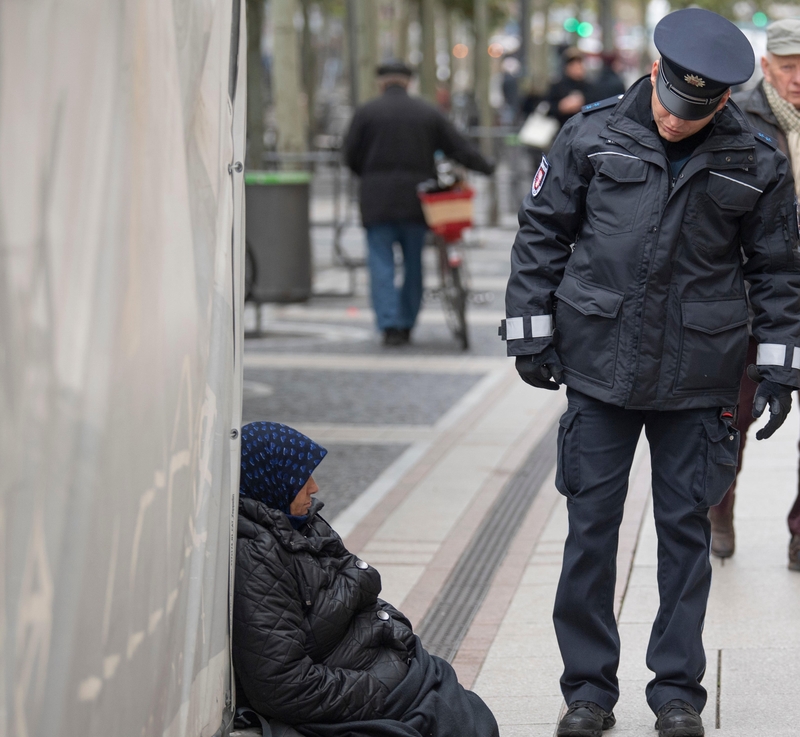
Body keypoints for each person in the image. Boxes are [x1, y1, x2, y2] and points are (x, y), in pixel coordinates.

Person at [501, 8, 800, 737]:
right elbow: (541, 231)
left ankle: (676, 692)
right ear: (656, 76)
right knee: (591, 534)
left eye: (693, 111)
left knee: (684, 539)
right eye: (669, 100)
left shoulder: (757, 157)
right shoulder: (591, 133)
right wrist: (530, 332)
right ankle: (588, 692)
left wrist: (781, 365)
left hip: (699, 377)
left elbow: (779, 272)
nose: (673, 119)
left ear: (724, 101)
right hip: (599, 367)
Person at [232, 421, 500, 737]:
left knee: (467, 713)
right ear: (271, 481)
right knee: (453, 721)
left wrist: (396, 633)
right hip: (358, 688)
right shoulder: (257, 558)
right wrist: (381, 686)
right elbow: (283, 686)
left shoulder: (300, 523)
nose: (314, 487)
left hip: (378, 664)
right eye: (302, 478)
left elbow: (357, 584)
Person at [711, 18, 800, 569]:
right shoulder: (733, 116)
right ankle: (719, 509)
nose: (799, 81)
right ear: (767, 67)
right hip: (753, 290)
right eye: (791, 69)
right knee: (733, 416)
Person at [343, 61, 494, 347]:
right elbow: (458, 147)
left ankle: (388, 324)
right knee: (414, 263)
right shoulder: (427, 113)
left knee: (381, 262)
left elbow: (350, 156)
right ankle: (407, 322)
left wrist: (370, 174)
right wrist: (486, 167)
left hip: (376, 200)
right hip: (419, 201)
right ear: (409, 82)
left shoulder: (366, 113)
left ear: (381, 83)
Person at [546, 47, 593, 128]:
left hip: (584, 130)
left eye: (579, 64)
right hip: (562, 129)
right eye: (573, 65)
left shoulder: (589, 87)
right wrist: (561, 107)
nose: (577, 68)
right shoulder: (557, 86)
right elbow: (548, 109)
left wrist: (582, 104)